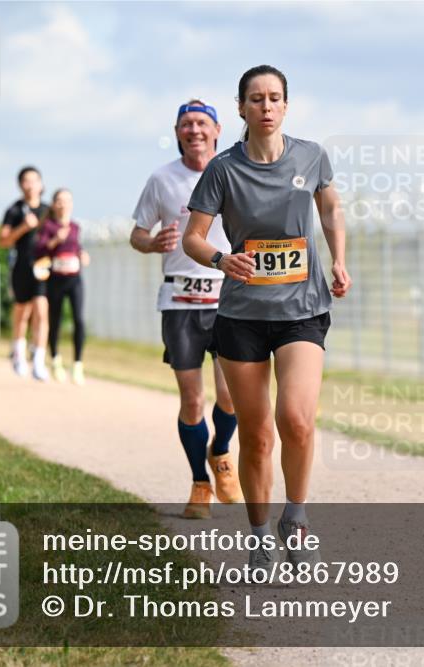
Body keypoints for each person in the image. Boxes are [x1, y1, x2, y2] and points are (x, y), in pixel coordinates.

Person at [183, 65, 351, 571]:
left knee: (296, 420)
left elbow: (330, 211)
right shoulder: (223, 168)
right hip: (243, 315)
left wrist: (340, 259)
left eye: (275, 98)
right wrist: (220, 259)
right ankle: (258, 535)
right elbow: (194, 236)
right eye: (256, 99)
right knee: (256, 434)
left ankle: (295, 520)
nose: (267, 106)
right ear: (241, 108)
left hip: (303, 308)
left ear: (286, 105)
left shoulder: (312, 155)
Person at [131, 98, 242, 520]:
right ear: (178, 133)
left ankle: (221, 453)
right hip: (179, 301)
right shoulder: (162, 179)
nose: (194, 130)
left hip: (228, 297)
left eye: (202, 123)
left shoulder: (233, 170)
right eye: (186, 124)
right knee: (193, 400)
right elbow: (137, 234)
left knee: (230, 396)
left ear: (217, 130)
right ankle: (199, 483)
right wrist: (151, 242)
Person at [34, 189, 89, 385]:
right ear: (54, 204)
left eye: (67, 200)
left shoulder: (75, 226)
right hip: (55, 279)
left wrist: (83, 254)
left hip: (74, 279)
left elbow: (76, 246)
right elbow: (39, 249)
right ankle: (55, 360)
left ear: (71, 204)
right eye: (60, 200)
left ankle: (77, 364)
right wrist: (55, 239)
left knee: (79, 320)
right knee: (55, 321)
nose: (63, 204)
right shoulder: (48, 226)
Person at [0, 166, 50, 380]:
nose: (30, 185)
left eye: (34, 180)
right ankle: (18, 354)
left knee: (41, 309)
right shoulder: (14, 210)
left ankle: (38, 360)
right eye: (26, 181)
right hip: (21, 266)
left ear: (41, 184)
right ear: (21, 185)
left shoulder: (49, 211)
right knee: (22, 312)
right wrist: (22, 228)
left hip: (43, 268)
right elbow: (3, 241)